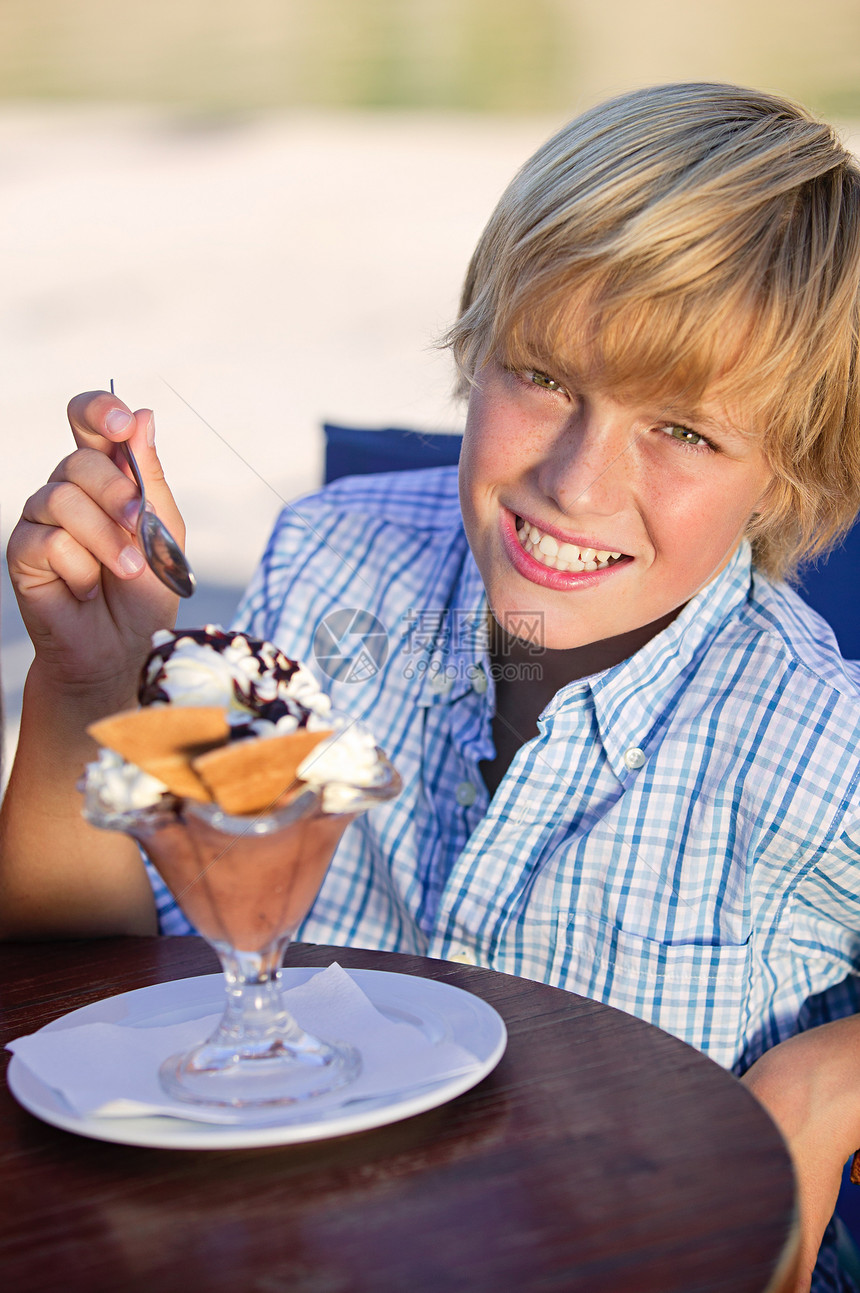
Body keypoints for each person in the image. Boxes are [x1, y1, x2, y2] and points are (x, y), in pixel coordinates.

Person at [3, 82, 860, 1289]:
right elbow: (91, 972)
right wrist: (85, 680)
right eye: (545, 377)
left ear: (787, 472)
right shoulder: (330, 557)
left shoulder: (819, 743)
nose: (574, 480)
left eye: (685, 430)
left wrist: (822, 1083)